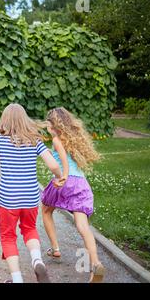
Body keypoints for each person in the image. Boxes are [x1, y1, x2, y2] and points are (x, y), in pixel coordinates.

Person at [0, 103, 63, 283]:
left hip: (8, 198)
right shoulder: (34, 140)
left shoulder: (1, 140)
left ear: (4, 120)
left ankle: (17, 279)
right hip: (30, 196)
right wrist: (58, 177)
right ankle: (37, 261)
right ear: (25, 119)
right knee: (29, 229)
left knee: (8, 236)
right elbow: (53, 164)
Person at [41, 107, 105, 283]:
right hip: (81, 184)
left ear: (53, 124)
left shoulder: (56, 140)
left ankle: (55, 248)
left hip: (64, 180)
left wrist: (63, 177)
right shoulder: (71, 140)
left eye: (48, 121)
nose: (46, 124)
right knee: (83, 227)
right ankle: (96, 264)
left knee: (46, 210)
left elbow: (62, 160)